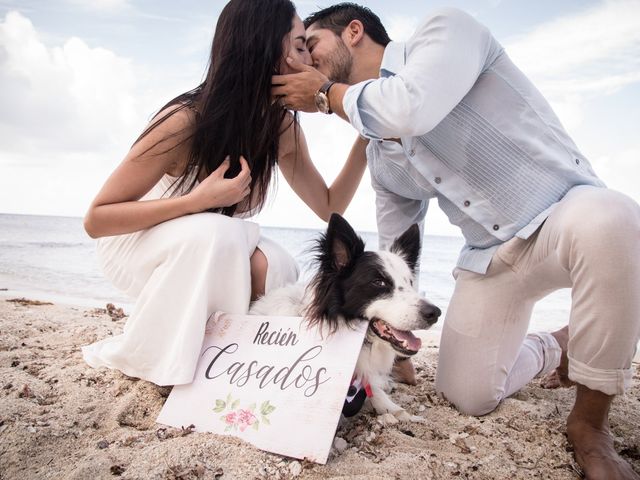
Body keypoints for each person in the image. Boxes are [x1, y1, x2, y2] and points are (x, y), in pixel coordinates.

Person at [271, 3, 640, 479]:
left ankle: (590, 424)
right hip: (489, 259)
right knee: (468, 395)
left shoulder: (445, 33)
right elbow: (397, 250)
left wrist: (325, 95)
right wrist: (397, 331)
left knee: (614, 215)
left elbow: (408, 107)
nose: (305, 60)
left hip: (563, 218)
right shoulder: (381, 156)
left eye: (313, 44)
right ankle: (556, 345)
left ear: (354, 32)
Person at [81, 0, 368, 387]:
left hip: (206, 248)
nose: (310, 60)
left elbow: (329, 205)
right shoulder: (186, 120)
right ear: (268, 48)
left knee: (277, 264)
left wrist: (368, 137)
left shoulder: (279, 125)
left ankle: (240, 363)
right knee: (220, 232)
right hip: (137, 244)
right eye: (300, 46)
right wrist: (196, 201)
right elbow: (98, 219)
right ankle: (174, 368)